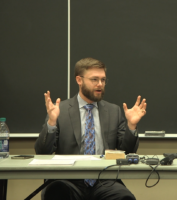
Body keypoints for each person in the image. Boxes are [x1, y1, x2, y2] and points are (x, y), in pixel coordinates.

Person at [35, 57, 147, 200]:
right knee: (57, 194)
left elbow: (128, 152)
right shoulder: (60, 110)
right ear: (79, 80)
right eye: (94, 79)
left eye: (103, 80)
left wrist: (131, 125)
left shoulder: (113, 111)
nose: (100, 84)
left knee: (124, 198)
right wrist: (51, 122)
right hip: (68, 180)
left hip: (105, 180)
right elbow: (42, 152)